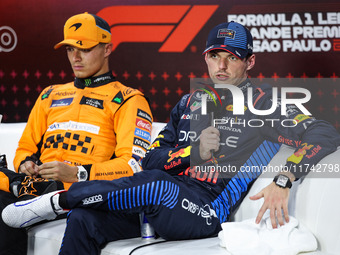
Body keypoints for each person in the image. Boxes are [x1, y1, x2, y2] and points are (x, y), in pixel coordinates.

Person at [3, 21, 340, 255]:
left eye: (232, 58)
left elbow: (324, 132)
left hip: (206, 210)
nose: (221, 66)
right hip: (156, 202)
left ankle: (53, 204)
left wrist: (284, 178)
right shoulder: (189, 102)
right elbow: (151, 158)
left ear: (249, 61)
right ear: (205, 57)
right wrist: (192, 153)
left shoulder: (264, 104)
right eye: (214, 55)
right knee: (86, 218)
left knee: (155, 184)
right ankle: (67, 208)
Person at [0, 12, 152, 255]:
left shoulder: (128, 100)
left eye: (85, 49)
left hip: (84, 194)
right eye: (70, 49)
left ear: (107, 49)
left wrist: (78, 173)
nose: (76, 57)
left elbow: (134, 166)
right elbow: (25, 148)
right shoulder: (50, 94)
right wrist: (25, 163)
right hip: (37, 188)